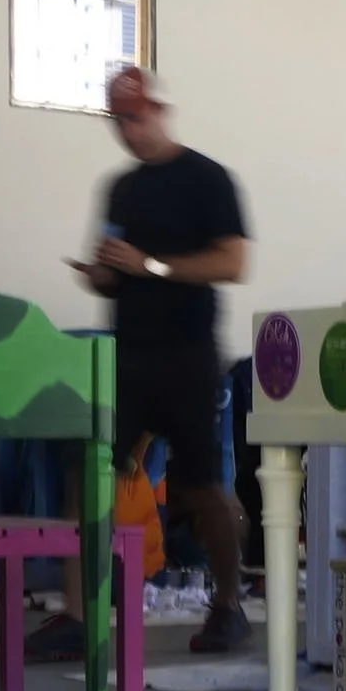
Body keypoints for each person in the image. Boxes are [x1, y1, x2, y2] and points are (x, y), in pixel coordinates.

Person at [52, 65, 252, 654]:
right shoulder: (121, 190)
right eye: (117, 121)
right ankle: (77, 616)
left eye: (135, 117)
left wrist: (153, 266)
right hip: (129, 356)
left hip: (188, 354)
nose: (128, 131)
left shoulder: (208, 179)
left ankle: (229, 606)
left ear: (159, 111)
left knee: (200, 489)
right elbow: (115, 274)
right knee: (87, 475)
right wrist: (102, 275)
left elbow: (233, 263)